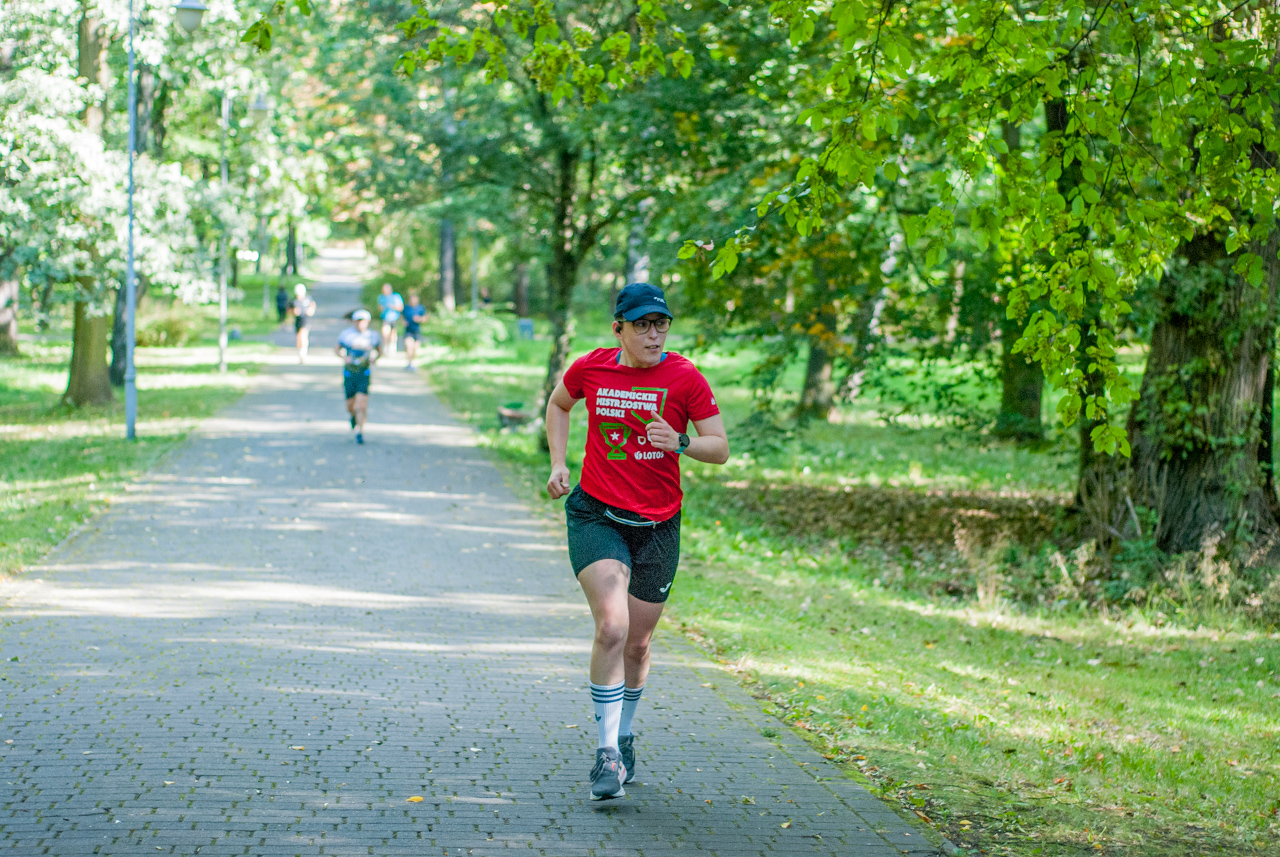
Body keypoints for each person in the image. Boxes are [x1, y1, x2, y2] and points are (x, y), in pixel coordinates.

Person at [544, 282, 730, 800]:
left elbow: (720, 449)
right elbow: (559, 406)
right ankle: (605, 753)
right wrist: (559, 463)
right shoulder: (592, 367)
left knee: (639, 642)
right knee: (612, 625)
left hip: (658, 525)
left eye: (662, 324)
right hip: (597, 513)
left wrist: (683, 441)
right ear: (619, 329)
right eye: (643, 325)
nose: (654, 334)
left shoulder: (685, 377)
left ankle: (624, 734)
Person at [335, 309, 382, 445]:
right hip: (350, 373)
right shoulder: (346, 335)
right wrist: (344, 357)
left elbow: (379, 351)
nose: (360, 324)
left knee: (362, 404)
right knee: (350, 405)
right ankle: (352, 416)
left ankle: (360, 432)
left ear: (367, 322)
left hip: (364, 372)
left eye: (363, 321)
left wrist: (375, 359)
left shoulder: (372, 336)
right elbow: (337, 349)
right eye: (358, 321)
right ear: (354, 322)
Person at [291, 283, 316, 363]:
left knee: (303, 335)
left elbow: (313, 305)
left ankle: (303, 353)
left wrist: (311, 311)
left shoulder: (308, 299)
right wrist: (293, 312)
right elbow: (288, 310)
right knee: (299, 337)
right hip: (298, 321)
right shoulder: (294, 301)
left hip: (306, 321)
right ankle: (300, 352)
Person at [377, 282, 404, 355]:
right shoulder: (381, 297)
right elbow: (379, 307)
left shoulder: (396, 296)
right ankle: (385, 346)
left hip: (394, 317)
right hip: (385, 318)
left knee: (393, 332)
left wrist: (392, 306)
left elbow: (401, 307)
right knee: (385, 332)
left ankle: (392, 346)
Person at [402, 292, 426, 370]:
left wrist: (419, 319)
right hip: (408, 330)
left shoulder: (421, 308)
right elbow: (402, 317)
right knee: (409, 346)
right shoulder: (406, 308)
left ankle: (413, 362)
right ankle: (409, 363)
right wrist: (403, 322)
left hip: (417, 331)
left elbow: (425, 318)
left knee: (415, 348)